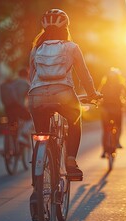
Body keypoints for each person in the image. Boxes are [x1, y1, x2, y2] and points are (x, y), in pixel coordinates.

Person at [28, 9, 101, 179]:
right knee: (75, 120)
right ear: (66, 28)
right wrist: (92, 94)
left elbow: (32, 77)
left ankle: (39, 177)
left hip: (37, 96)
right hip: (64, 95)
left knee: (41, 135)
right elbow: (84, 75)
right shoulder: (72, 47)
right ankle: (70, 162)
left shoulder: (36, 49)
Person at [98, 67, 126, 157]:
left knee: (105, 130)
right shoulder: (120, 85)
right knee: (119, 126)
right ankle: (117, 142)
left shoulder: (104, 85)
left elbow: (98, 95)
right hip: (117, 109)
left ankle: (104, 151)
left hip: (105, 110)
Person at [0, 68, 33, 145]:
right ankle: (23, 134)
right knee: (29, 119)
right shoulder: (26, 84)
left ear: (19, 75)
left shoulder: (12, 83)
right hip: (18, 107)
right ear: (27, 75)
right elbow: (30, 97)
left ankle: (10, 144)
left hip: (8, 108)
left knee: (12, 124)